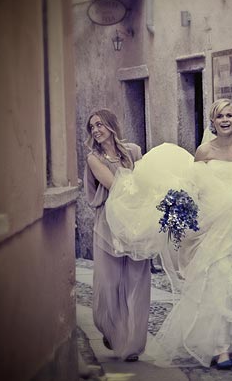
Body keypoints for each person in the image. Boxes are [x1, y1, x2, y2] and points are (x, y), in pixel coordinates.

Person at [104, 99, 232, 369]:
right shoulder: (203, 152)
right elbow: (196, 190)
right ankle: (221, 349)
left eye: (229, 115)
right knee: (216, 286)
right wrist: (183, 210)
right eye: (220, 116)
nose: (225, 120)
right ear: (212, 122)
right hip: (214, 228)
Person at [83, 108, 150, 362]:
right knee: (109, 284)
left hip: (135, 224)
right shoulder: (94, 158)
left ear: (111, 125)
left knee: (136, 282)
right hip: (109, 225)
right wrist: (143, 183)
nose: (96, 130)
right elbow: (115, 185)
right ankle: (112, 329)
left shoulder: (133, 151)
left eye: (99, 124)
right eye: (92, 127)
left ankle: (131, 343)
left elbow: (147, 181)